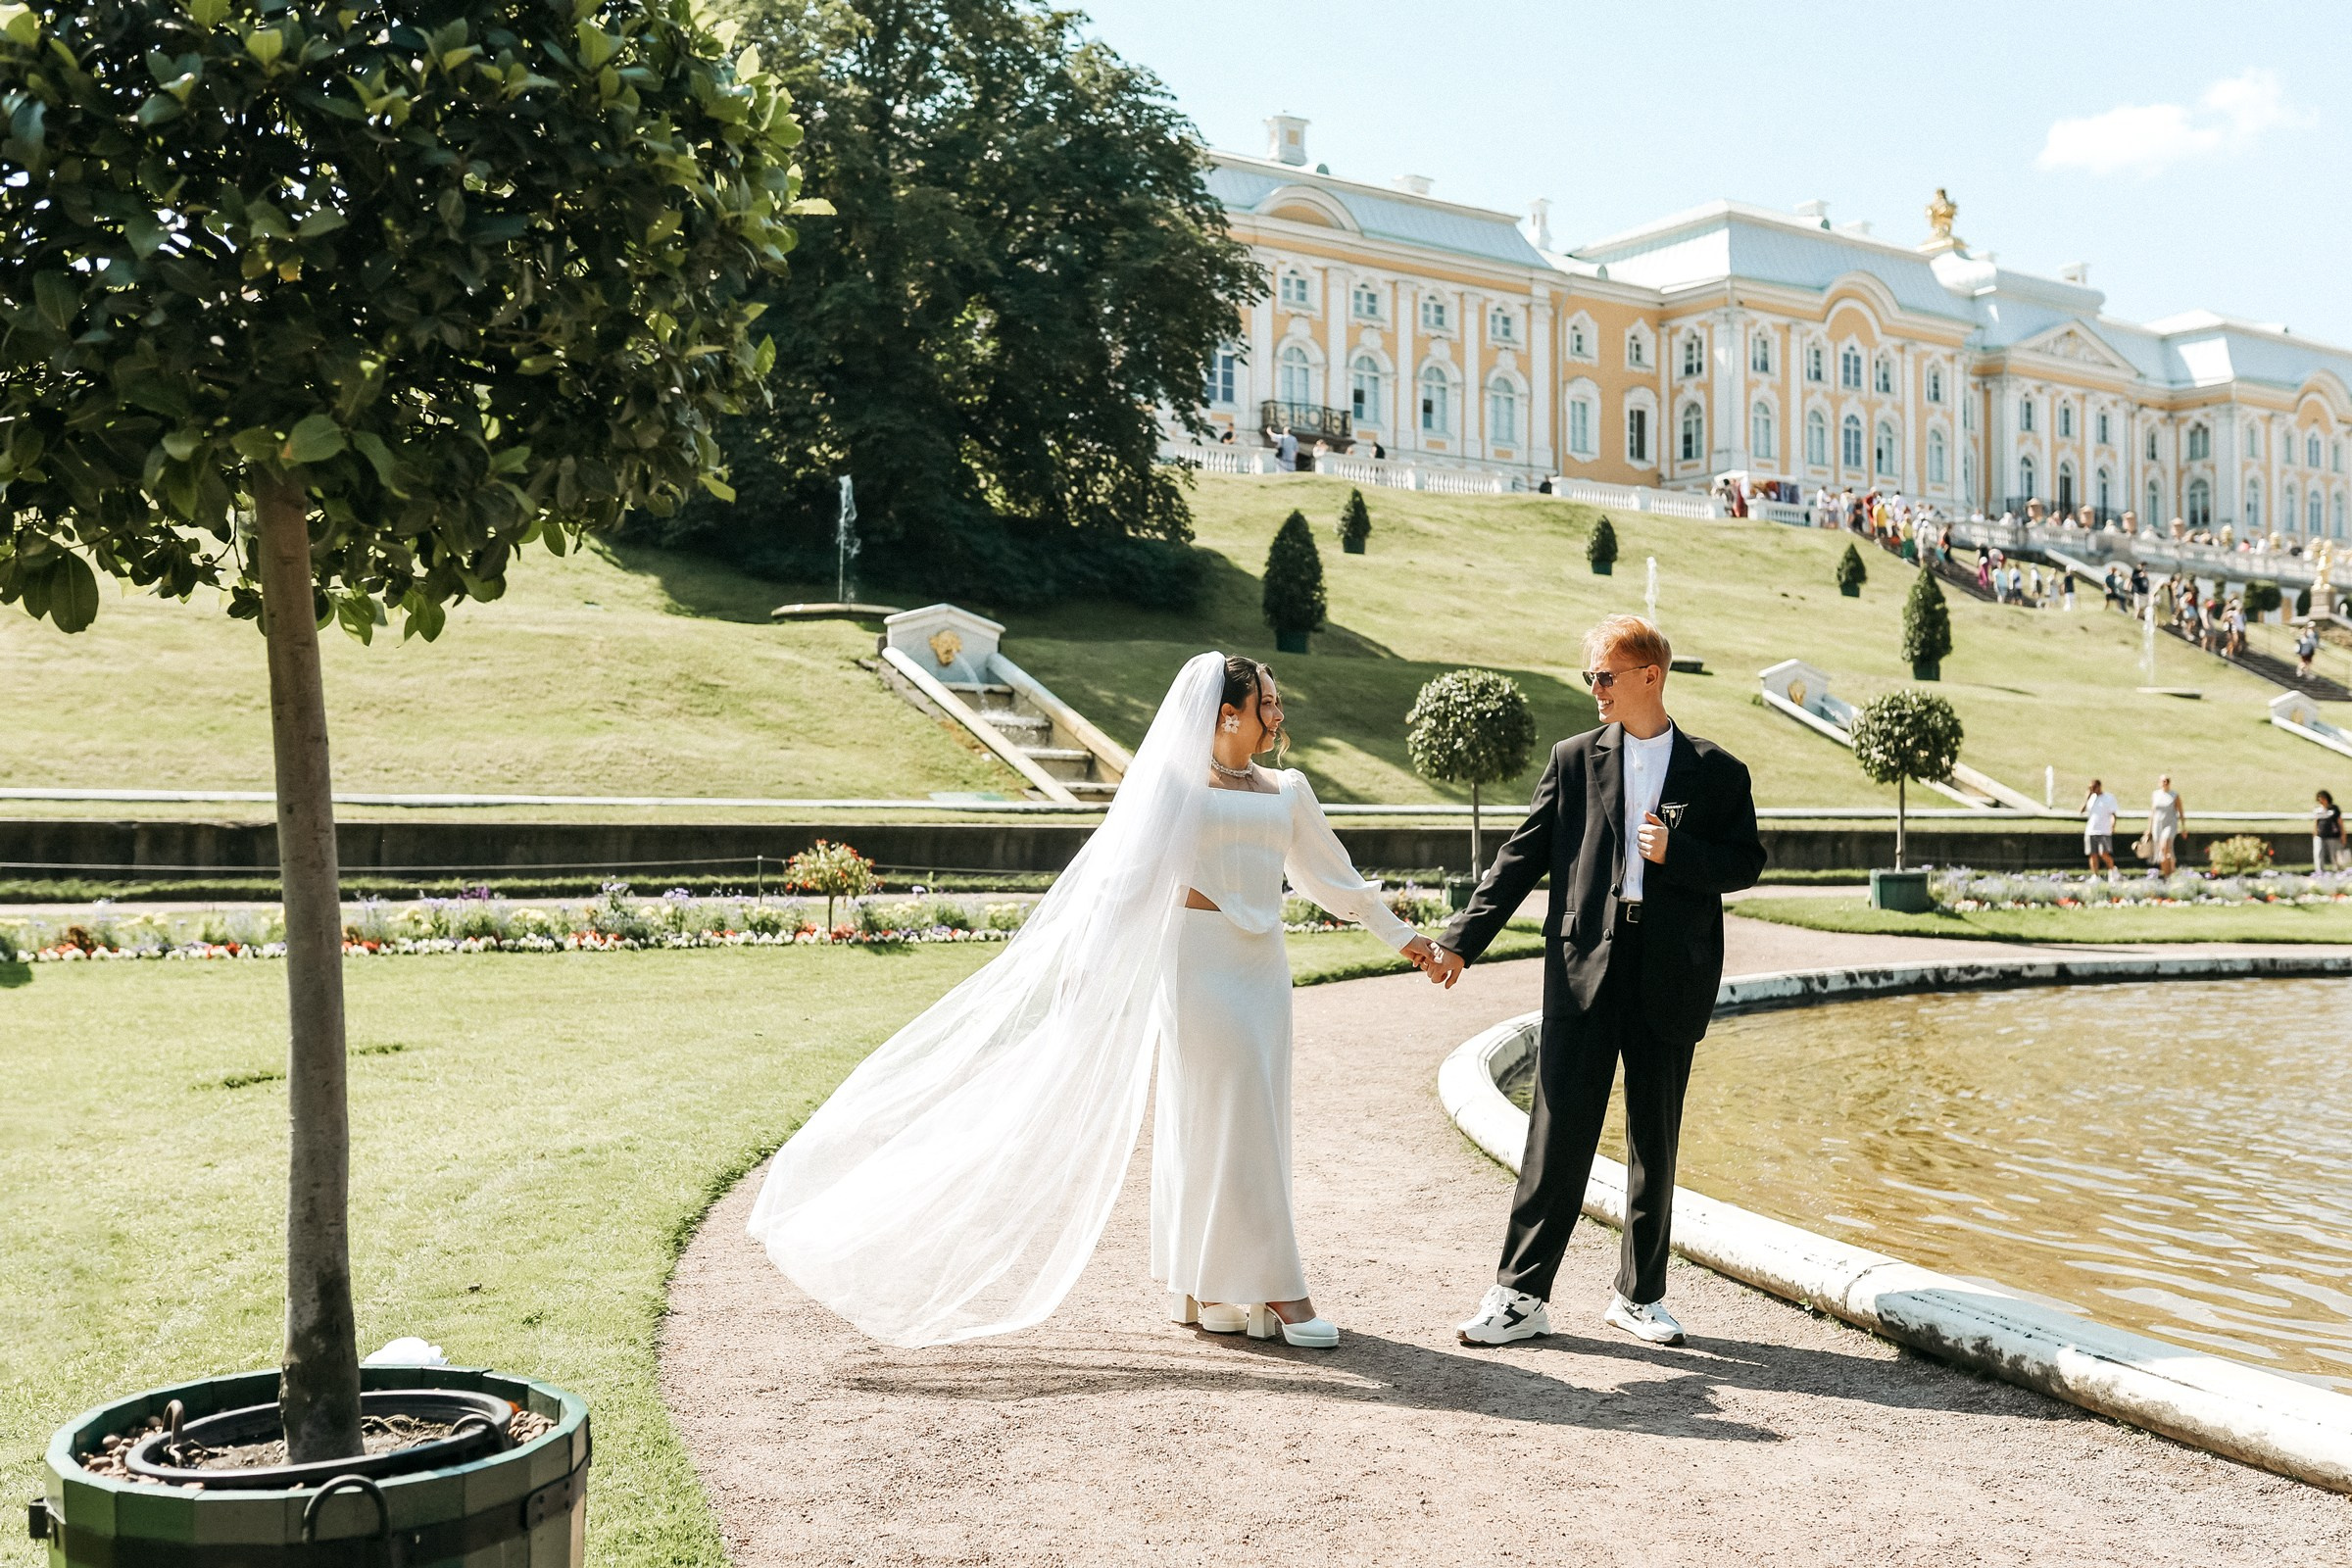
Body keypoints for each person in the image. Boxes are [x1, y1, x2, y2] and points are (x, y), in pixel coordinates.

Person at [747, 653, 1437, 1349]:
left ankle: (1206, 1284)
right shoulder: (1173, 785)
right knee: (1229, 1117)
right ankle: (1279, 1290)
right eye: (1267, 702)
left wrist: (1409, 941)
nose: (1279, 714)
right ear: (1228, 714)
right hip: (1198, 967)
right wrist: (1084, 964)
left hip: (1264, 971)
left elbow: (1336, 880)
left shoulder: (1289, 789)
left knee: (1244, 1117)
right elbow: (1124, 881)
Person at [1424, 615, 1766, 1349]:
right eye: (1592, 677)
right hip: (1582, 968)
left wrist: (1678, 852)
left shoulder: (1718, 771)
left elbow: (1746, 863)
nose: (1595, 689)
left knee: (1655, 1139)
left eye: (1605, 676)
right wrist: (1460, 942)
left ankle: (1640, 1298)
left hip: (1671, 972)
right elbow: (1520, 859)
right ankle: (1520, 1296)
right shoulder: (1574, 759)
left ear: (1651, 675)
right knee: (1555, 1134)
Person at [2147, 774, 2185, 875]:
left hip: (2170, 824)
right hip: (2157, 824)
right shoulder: (2155, 794)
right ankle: (2168, 874)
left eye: (2167, 781)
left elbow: (2180, 811)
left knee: (2164, 847)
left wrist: (2183, 827)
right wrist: (2149, 829)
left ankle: (2169, 874)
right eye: (2163, 781)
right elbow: (2152, 812)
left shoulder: (2174, 795)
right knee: (2163, 851)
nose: (2165, 783)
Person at [2083, 779, 2120, 877]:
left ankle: (2112, 871)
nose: (2092, 789)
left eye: (2094, 787)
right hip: (2091, 830)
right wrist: (2087, 798)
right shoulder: (2091, 798)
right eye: (2091, 788)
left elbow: (2113, 814)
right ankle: (2095, 876)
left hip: (2104, 830)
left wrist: (2113, 826)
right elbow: (2082, 810)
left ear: (2099, 786)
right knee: (2092, 854)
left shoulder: (2108, 797)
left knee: (2103, 853)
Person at [2316, 789, 2343, 872]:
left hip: (2333, 836)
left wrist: (2343, 834)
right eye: (2319, 798)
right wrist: (2315, 833)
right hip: (2321, 835)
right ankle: (2319, 872)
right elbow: (2316, 822)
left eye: (2322, 798)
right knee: (2319, 854)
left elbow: (2340, 822)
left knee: (2334, 855)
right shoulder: (2318, 810)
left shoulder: (2334, 809)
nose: (2321, 800)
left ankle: (2337, 871)